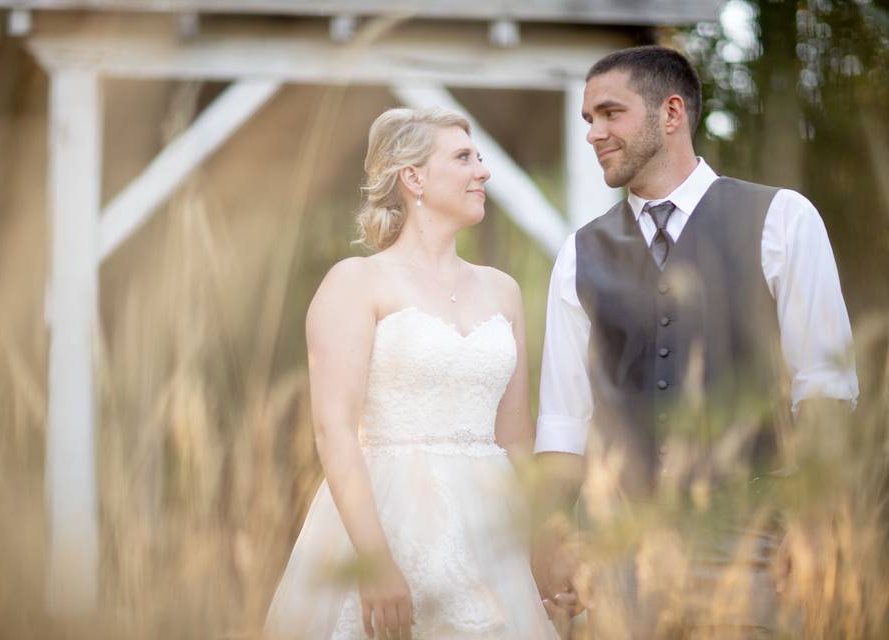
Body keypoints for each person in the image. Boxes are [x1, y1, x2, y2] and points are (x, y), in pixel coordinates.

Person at [533, 45, 859, 635]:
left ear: (672, 112)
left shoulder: (783, 220)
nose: (594, 133)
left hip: (757, 546)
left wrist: (815, 522)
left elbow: (824, 387)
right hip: (623, 553)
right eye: (588, 120)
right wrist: (555, 534)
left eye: (610, 114)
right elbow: (562, 417)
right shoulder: (579, 253)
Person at [263, 107, 557, 639]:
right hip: (387, 518)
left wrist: (544, 544)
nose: (482, 171)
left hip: (493, 531)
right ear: (413, 177)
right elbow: (334, 432)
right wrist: (374, 562)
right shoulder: (356, 282)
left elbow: (515, 435)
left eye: (481, 158)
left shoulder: (502, 290)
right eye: (464, 158)